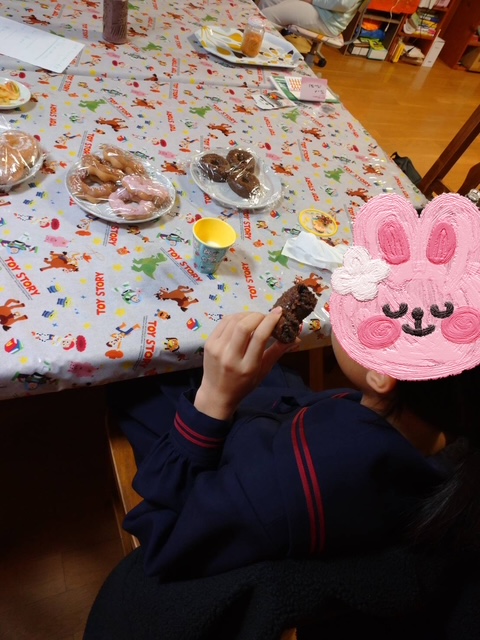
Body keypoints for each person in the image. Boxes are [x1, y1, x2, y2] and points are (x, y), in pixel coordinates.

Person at [107, 192, 480, 582]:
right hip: (280, 424)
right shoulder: (439, 428)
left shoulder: (283, 490)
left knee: (135, 379)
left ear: (383, 374)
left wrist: (213, 402)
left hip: (201, 482)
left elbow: (168, 537)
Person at [258, 0, 361, 38]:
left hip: (327, 18)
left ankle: (257, 49)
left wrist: (312, 0)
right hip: (318, 6)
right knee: (267, 1)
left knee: (268, 15)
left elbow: (343, 4)